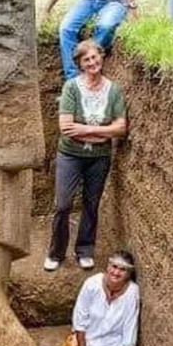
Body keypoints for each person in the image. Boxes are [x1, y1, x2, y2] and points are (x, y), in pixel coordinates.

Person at [43, 41, 127, 273]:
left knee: (91, 204)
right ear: (80, 64)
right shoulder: (72, 88)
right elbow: (66, 127)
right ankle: (56, 253)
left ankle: (85, 250)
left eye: (95, 57)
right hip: (70, 155)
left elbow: (120, 128)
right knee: (63, 205)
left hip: (99, 158)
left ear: (102, 57)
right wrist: (103, 132)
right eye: (86, 60)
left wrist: (86, 131)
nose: (92, 63)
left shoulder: (114, 90)